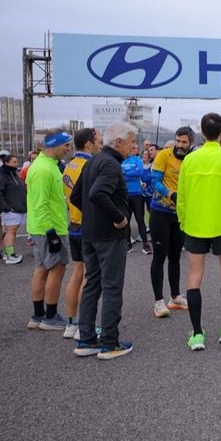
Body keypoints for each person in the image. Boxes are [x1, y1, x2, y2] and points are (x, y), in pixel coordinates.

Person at [176, 112, 221, 350]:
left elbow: (182, 197)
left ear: (201, 131)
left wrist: (183, 222)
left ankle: (197, 334)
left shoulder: (190, 160)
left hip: (195, 225)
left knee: (194, 276)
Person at [70, 122, 137, 359]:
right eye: (131, 142)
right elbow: (97, 193)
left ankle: (87, 338)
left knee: (92, 285)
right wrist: (118, 217)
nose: (134, 147)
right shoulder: (110, 164)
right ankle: (109, 342)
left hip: (90, 233)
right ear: (118, 142)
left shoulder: (93, 161)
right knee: (111, 287)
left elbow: (77, 196)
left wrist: (93, 216)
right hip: (109, 236)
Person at [25, 129, 73, 331]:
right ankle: (50, 317)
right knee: (57, 268)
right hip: (49, 228)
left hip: (42, 227)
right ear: (54, 145)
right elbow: (39, 204)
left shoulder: (48, 165)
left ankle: (38, 315)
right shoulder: (43, 169)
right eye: (66, 145)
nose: (69, 149)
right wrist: (51, 232)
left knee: (42, 269)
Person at [148, 126, 194, 318]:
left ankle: (174, 296)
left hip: (180, 214)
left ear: (191, 143)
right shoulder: (163, 155)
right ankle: (158, 301)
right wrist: (170, 194)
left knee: (175, 256)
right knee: (159, 256)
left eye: (184, 142)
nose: (180, 145)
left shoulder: (192, 159)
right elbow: (155, 181)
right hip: (160, 211)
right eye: (178, 141)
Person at [61, 127, 102, 338]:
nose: (101, 146)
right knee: (91, 277)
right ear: (89, 144)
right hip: (87, 225)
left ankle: (72, 323)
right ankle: (85, 326)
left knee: (77, 272)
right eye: (99, 142)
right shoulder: (89, 166)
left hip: (74, 225)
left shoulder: (69, 165)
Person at [0, 153, 27, 265]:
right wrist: (5, 207)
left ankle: (8, 253)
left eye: (17, 162)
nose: (16, 164)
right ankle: (10, 255)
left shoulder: (14, 174)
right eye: (14, 162)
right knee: (11, 230)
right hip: (10, 209)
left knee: (12, 230)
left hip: (18, 207)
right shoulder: (1, 176)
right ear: (6, 162)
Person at [121, 141, 151, 253]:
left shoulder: (138, 160)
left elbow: (139, 173)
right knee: (126, 220)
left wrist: (126, 173)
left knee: (140, 219)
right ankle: (128, 244)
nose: (133, 150)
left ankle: (145, 244)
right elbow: (120, 174)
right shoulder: (122, 160)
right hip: (125, 194)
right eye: (132, 148)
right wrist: (130, 174)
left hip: (137, 194)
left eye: (135, 148)